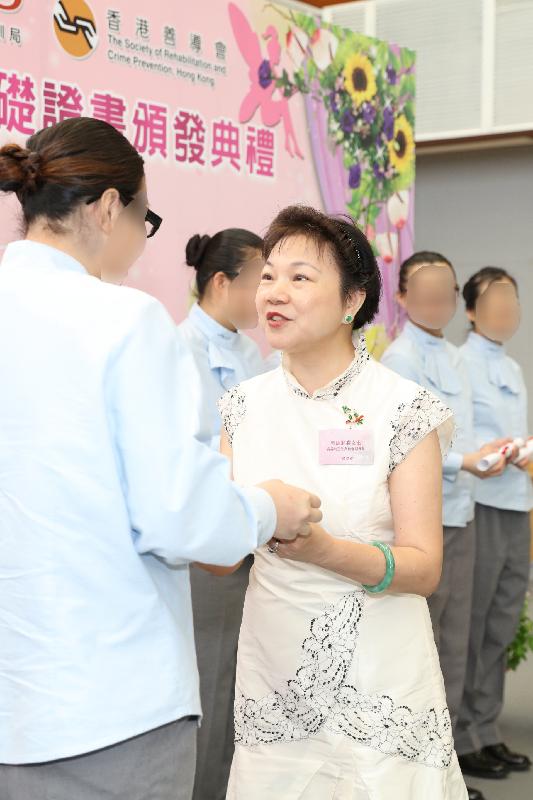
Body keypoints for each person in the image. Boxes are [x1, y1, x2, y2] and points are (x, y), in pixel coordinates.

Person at [0, 118, 323, 800]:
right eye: (145, 219)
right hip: (107, 700)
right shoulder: (124, 320)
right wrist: (271, 507)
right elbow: (179, 515)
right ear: (109, 207)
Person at [216, 206, 468, 799]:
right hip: (275, 672)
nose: (274, 293)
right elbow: (221, 551)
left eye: (300, 278)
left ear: (352, 301)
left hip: (380, 673)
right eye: (269, 275)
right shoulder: (242, 405)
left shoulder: (403, 408)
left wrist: (326, 551)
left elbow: (424, 567)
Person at [381, 251, 513, 800]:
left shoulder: (454, 357)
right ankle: (411, 769)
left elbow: (453, 433)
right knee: (420, 645)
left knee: (455, 642)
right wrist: (467, 461)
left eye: (445, 291)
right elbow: (413, 442)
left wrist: (474, 457)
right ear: (403, 298)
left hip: (460, 512)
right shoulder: (400, 358)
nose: (437, 301)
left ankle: (447, 763)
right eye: (425, 291)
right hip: (421, 520)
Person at [177, 228, 274, 800]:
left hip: (257, 532)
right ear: (221, 282)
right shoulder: (176, 349)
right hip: (209, 545)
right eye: (260, 280)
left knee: (241, 683)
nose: (269, 294)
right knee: (209, 684)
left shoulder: (252, 353)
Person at [456, 267, 532, 782]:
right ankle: (462, 739)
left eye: (514, 300)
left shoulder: (512, 366)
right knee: (473, 623)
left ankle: (487, 730)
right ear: (470, 311)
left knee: (501, 625)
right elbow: (460, 442)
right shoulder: (460, 364)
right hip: (478, 505)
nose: (508, 311)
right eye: (497, 301)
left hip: (515, 506)